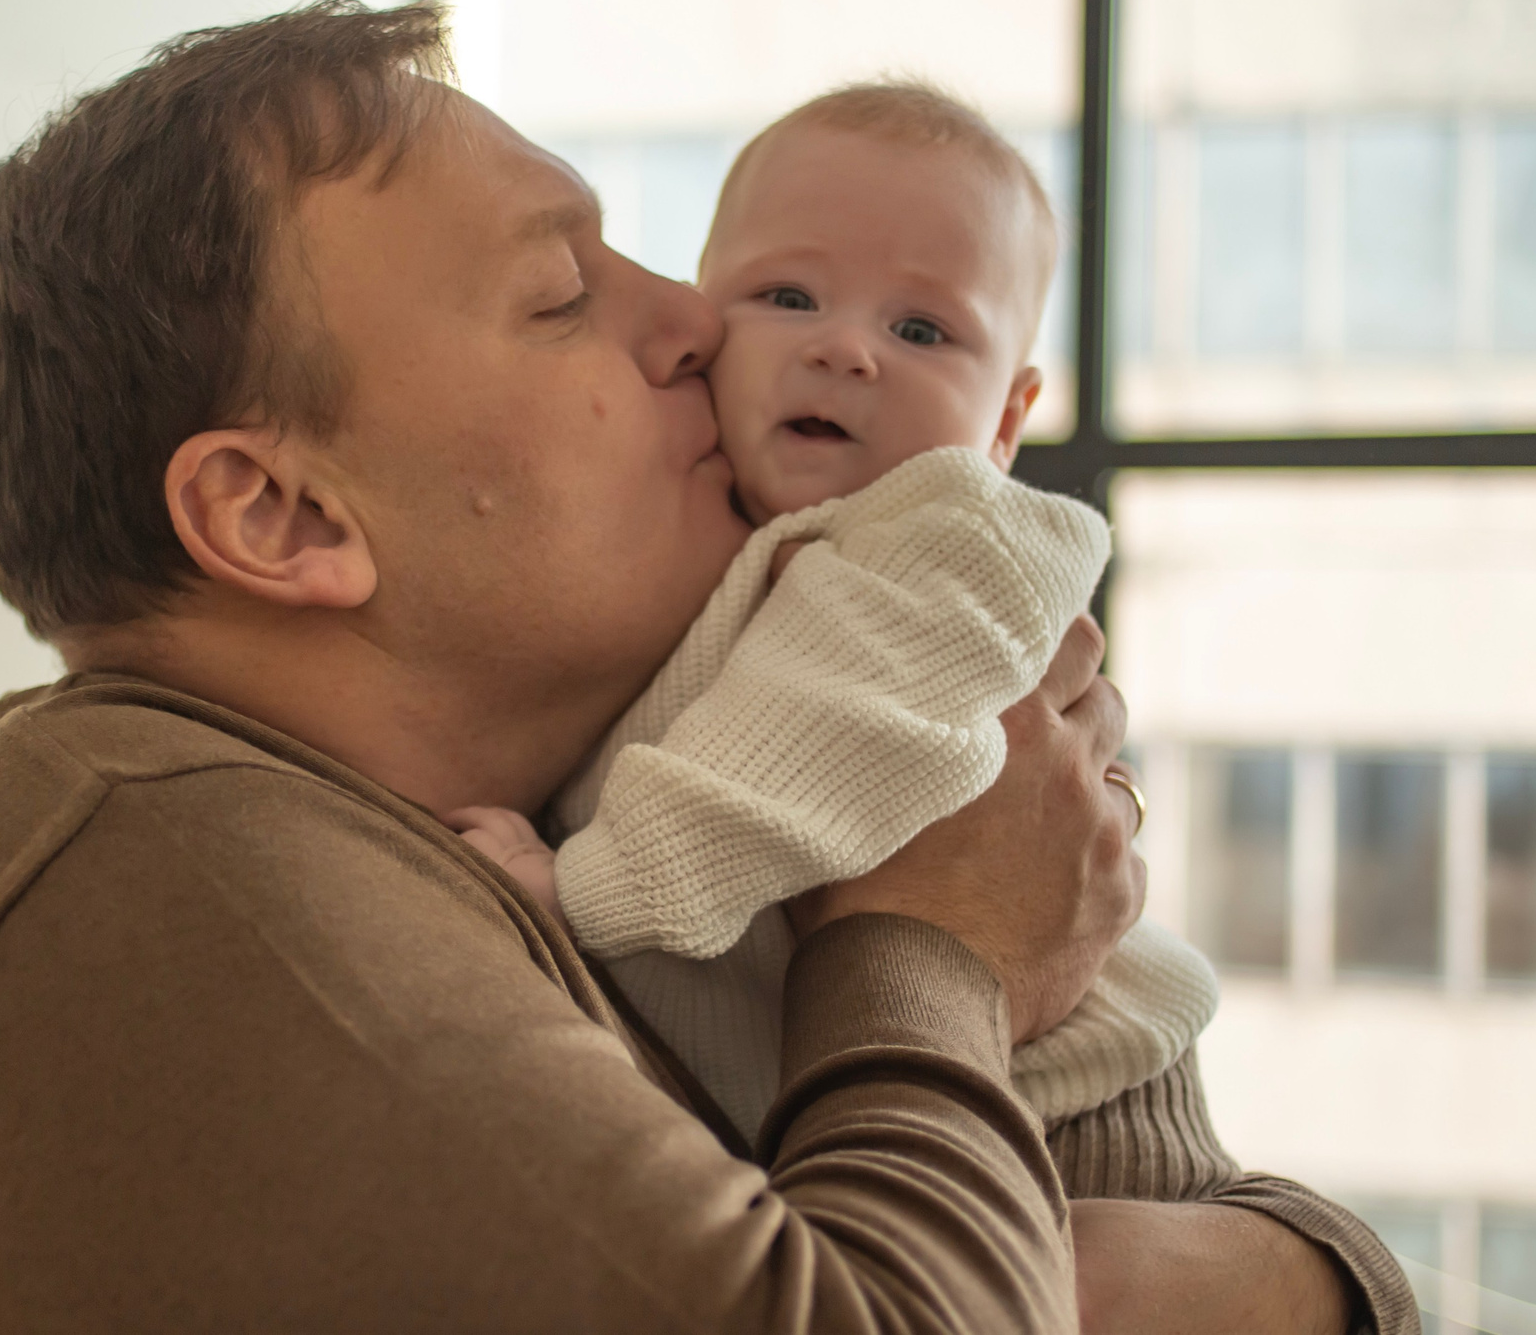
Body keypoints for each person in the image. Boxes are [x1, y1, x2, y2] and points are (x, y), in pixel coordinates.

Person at [0, 0, 1415, 1334]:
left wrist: (1317, 1281)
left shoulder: (423, 842)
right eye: (562, 294)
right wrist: (935, 937)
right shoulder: (188, 894)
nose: (699, 320)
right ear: (282, 513)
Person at [444, 81, 1225, 1152]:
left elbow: (816, 736)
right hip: (879, 1085)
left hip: (1075, 1095)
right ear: (702, 324)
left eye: (921, 328)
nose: (846, 350)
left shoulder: (949, 533)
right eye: (788, 297)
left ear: (1005, 420)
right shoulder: (711, 533)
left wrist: (579, 893)